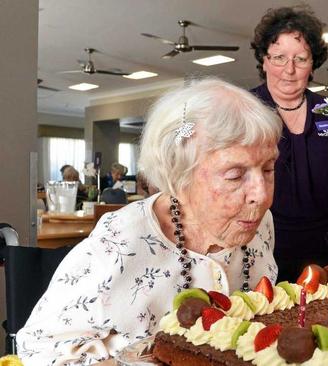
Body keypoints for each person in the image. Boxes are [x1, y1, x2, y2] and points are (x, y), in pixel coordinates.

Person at [17, 78, 282, 364]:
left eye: (268, 168)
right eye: (235, 175)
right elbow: (37, 350)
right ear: (179, 175)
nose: (262, 195)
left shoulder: (259, 223)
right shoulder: (119, 243)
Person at [249, 6, 328, 282]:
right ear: (264, 60)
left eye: (301, 59)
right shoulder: (245, 110)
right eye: (279, 58)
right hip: (263, 244)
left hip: (324, 244)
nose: (289, 70)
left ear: (313, 63)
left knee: (325, 321)